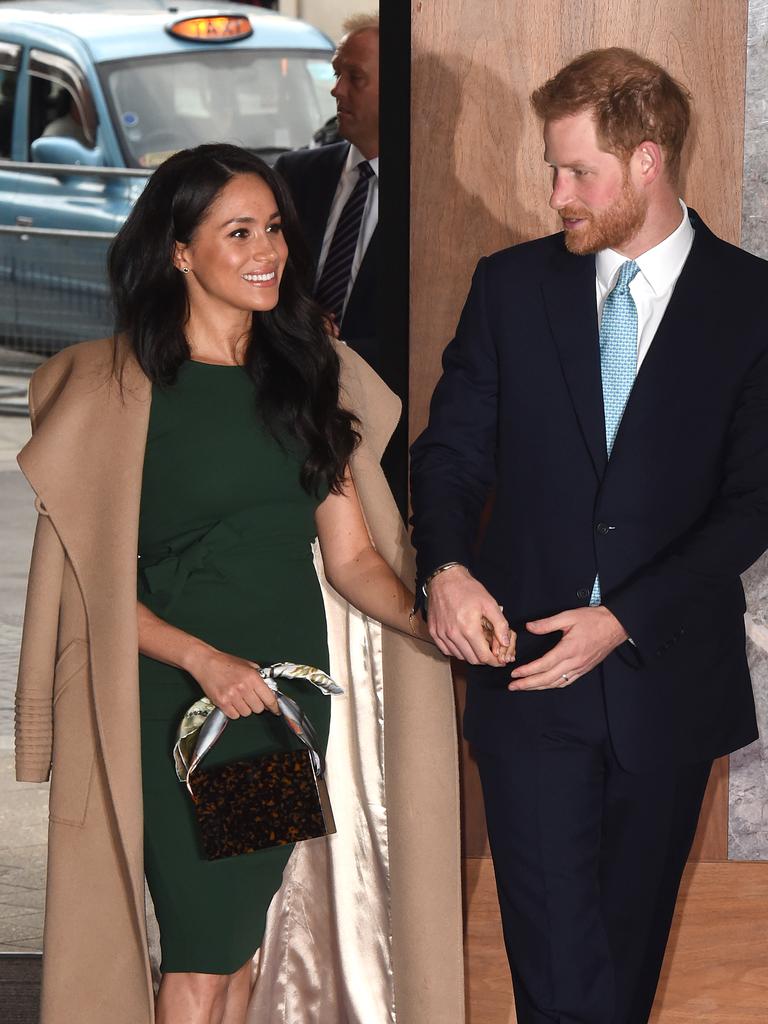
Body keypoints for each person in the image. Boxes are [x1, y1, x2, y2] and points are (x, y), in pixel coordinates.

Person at [14, 144, 465, 1024]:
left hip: (279, 703)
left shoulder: (301, 376)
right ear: (180, 251)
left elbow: (353, 559)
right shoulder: (120, 391)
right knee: (199, 944)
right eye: (239, 232)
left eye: (275, 230)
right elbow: (90, 593)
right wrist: (203, 659)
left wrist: (432, 620)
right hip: (173, 700)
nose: (268, 251)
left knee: (238, 944)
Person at [410, 47, 768, 1024]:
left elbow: (753, 501)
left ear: (648, 163)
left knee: (621, 964)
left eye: (579, 172)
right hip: (527, 686)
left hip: (668, 683)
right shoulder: (508, 287)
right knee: (562, 975)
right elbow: (448, 455)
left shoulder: (751, 305)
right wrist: (443, 565)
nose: (556, 191)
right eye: (552, 167)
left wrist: (623, 619)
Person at [272, 16, 410, 516]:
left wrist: (341, 350)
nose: (337, 90)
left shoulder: (429, 198)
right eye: (337, 73)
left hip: (384, 426)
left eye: (356, 77)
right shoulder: (296, 173)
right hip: (288, 412)